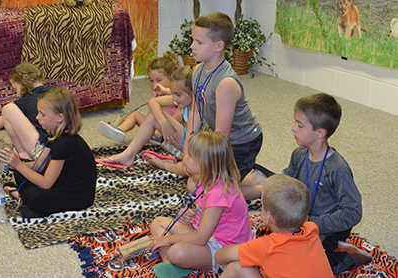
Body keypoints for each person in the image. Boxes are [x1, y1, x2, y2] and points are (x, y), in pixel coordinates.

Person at [242, 93, 371, 274]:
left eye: (300, 125)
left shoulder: (337, 169)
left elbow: (353, 212)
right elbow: (286, 184)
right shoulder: (299, 154)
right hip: (300, 219)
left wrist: (313, 222)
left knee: (302, 267)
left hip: (325, 228)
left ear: (320, 133)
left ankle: (346, 257)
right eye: (295, 123)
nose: (293, 128)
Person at [149, 132, 252, 278]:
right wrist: (187, 214)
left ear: (206, 164)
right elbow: (207, 215)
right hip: (208, 236)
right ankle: (170, 264)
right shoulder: (207, 179)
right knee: (158, 223)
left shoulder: (218, 193)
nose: (184, 159)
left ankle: (178, 260)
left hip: (224, 248)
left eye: (190, 156)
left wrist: (168, 240)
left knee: (176, 251)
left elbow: (200, 238)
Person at [185, 11, 263, 182]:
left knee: (207, 188)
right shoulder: (197, 71)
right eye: (193, 40)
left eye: (198, 42)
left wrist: (201, 162)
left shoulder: (226, 83)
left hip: (242, 143)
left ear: (218, 46)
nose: (192, 46)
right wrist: (188, 153)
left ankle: (261, 184)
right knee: (192, 176)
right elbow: (195, 113)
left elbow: (221, 135)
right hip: (219, 140)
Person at [0, 88, 97, 218]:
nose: (37, 117)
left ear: (60, 117)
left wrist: (19, 165)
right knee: (19, 173)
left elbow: (46, 183)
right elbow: (40, 165)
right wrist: (16, 164)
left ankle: (20, 197)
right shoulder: (55, 134)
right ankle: (21, 195)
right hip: (62, 183)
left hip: (78, 198)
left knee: (34, 196)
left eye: (43, 114)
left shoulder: (65, 142)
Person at [215, 174, 334, 278]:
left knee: (237, 267)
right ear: (305, 217)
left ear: (268, 217)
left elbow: (219, 257)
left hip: (256, 246)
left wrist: (248, 247)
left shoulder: (266, 246)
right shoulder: (311, 229)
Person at [98, 66, 193, 173]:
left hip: (196, 148)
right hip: (186, 140)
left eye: (178, 95)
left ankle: (162, 163)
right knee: (152, 115)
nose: (174, 98)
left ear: (193, 93)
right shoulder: (182, 99)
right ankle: (128, 154)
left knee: (185, 170)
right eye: (173, 94)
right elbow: (152, 103)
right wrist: (164, 124)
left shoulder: (198, 107)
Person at [0, 62, 56, 160]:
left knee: (8, 110)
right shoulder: (56, 90)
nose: (16, 95)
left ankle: (23, 155)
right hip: (60, 145)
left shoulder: (25, 101)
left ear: (23, 82)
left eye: (15, 89)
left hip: (41, 150)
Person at [97, 51, 179, 142]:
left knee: (155, 114)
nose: (154, 84)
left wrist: (166, 92)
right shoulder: (156, 92)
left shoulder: (176, 92)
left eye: (159, 80)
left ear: (171, 78)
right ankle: (119, 130)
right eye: (151, 81)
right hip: (154, 124)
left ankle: (157, 136)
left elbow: (179, 98)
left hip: (169, 127)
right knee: (135, 115)